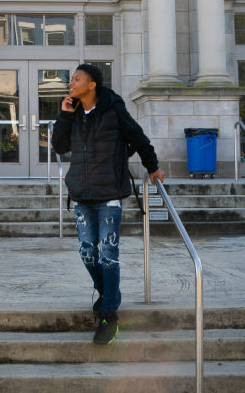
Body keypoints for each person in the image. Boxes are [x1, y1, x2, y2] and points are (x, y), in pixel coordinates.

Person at [51, 63, 164, 346]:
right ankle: (106, 293)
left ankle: (109, 315)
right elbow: (58, 146)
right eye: (71, 79)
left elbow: (139, 138)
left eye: (77, 79)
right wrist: (64, 116)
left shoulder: (113, 110)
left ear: (92, 85)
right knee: (88, 251)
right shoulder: (73, 114)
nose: (71, 83)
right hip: (81, 194)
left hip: (109, 196)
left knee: (108, 254)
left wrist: (153, 167)